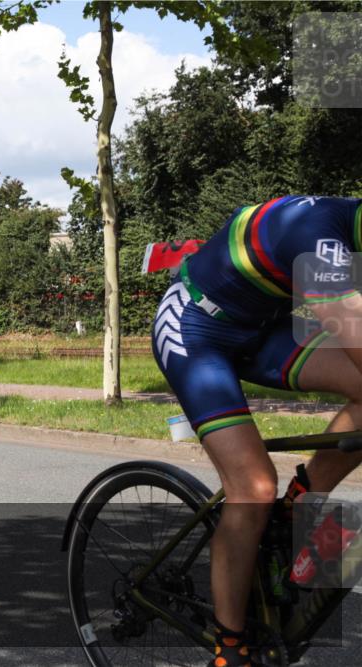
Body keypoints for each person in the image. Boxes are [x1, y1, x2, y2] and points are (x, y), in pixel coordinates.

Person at [151, 195, 362, 667]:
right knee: (253, 487)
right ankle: (229, 646)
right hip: (195, 329)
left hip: (263, 328)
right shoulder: (317, 233)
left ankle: (302, 499)